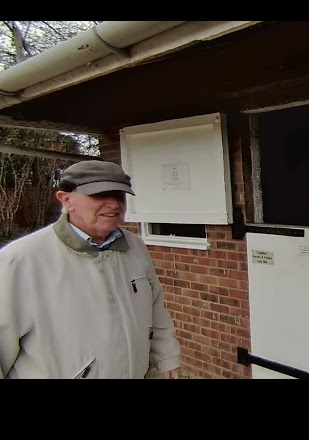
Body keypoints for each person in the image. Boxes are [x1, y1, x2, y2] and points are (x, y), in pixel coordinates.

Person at [0, 160, 181, 379]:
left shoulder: (135, 247)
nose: (114, 204)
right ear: (66, 199)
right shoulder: (22, 259)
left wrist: (166, 359)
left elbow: (156, 310)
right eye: (100, 195)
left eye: (119, 195)